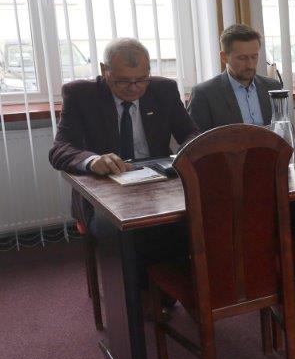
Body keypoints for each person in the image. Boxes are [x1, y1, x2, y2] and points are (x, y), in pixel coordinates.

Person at [49, 38, 198, 228]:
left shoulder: (163, 90)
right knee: (123, 234)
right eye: (123, 81)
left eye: (141, 79)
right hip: (106, 189)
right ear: (105, 70)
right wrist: (93, 161)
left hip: (159, 184)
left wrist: (185, 156)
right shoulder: (81, 95)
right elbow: (60, 149)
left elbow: (192, 135)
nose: (134, 87)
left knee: (192, 223)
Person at [187, 24, 282, 131]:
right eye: (242, 58)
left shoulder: (273, 87)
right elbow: (195, 138)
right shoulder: (204, 94)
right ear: (224, 57)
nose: (250, 65)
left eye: (254, 57)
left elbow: (284, 129)